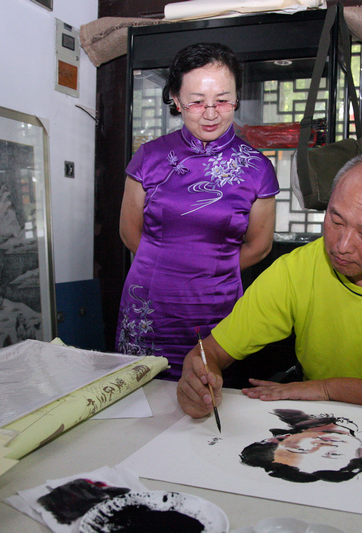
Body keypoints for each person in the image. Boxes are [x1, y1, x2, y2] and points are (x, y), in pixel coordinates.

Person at [177, 153, 362, 420]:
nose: (342, 246)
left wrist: (328, 388)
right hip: (320, 423)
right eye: (335, 220)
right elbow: (210, 353)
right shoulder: (296, 269)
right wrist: (199, 378)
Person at [117, 42, 279, 379]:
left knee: (209, 399)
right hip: (149, 303)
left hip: (215, 307)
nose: (210, 113)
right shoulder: (149, 157)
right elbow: (129, 232)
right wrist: (169, 266)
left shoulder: (257, 168)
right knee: (143, 402)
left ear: (237, 97)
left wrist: (213, 269)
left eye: (222, 100)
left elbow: (259, 245)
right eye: (196, 101)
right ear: (175, 100)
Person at [240, 409, 362, 483]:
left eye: (300, 449)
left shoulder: (293, 414)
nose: (320, 447)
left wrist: (327, 389)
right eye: (332, 454)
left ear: (283, 438)